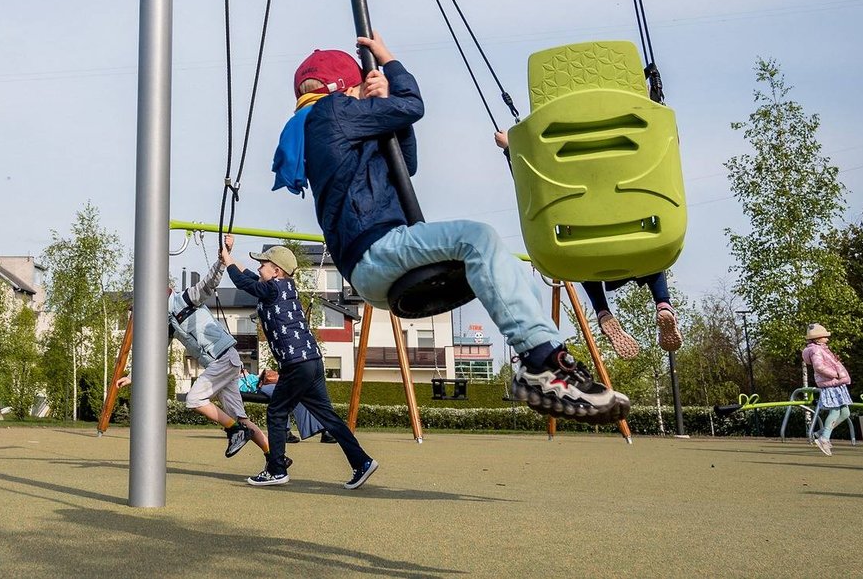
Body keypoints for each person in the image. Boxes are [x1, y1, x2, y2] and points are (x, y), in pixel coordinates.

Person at [271, 33, 629, 425]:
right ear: (347, 86)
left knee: (510, 270)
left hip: (372, 265)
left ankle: (550, 359)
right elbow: (413, 105)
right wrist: (390, 64)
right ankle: (541, 363)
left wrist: (385, 104)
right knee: (478, 237)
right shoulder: (332, 112)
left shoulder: (327, 125)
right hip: (378, 248)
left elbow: (405, 165)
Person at [492, 131, 679, 360]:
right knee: (652, 251)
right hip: (632, 239)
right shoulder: (627, 159)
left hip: (586, 248)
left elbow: (528, 185)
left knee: (579, 252)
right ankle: (663, 304)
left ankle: (602, 311)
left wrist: (509, 149)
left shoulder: (557, 169)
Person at [221, 239, 376, 490]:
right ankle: (362, 461)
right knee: (328, 416)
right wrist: (229, 256)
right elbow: (249, 276)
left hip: (296, 364)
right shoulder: (284, 286)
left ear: (276, 271)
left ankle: (276, 470)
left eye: (263, 264)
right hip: (312, 361)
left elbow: (243, 282)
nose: (259, 267)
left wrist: (228, 261)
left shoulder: (272, 289)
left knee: (276, 412)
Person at [121, 248, 271, 463]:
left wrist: (222, 261)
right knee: (240, 417)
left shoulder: (186, 299)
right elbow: (153, 354)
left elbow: (209, 283)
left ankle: (236, 430)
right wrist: (132, 376)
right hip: (225, 364)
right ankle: (274, 458)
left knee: (194, 399)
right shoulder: (167, 322)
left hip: (223, 358)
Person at [801, 323, 852, 455]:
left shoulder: (822, 349)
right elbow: (819, 367)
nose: (827, 339)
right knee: (835, 411)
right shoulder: (816, 350)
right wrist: (835, 374)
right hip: (831, 384)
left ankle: (821, 433)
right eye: (824, 336)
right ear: (818, 339)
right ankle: (824, 438)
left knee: (845, 413)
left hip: (837, 383)